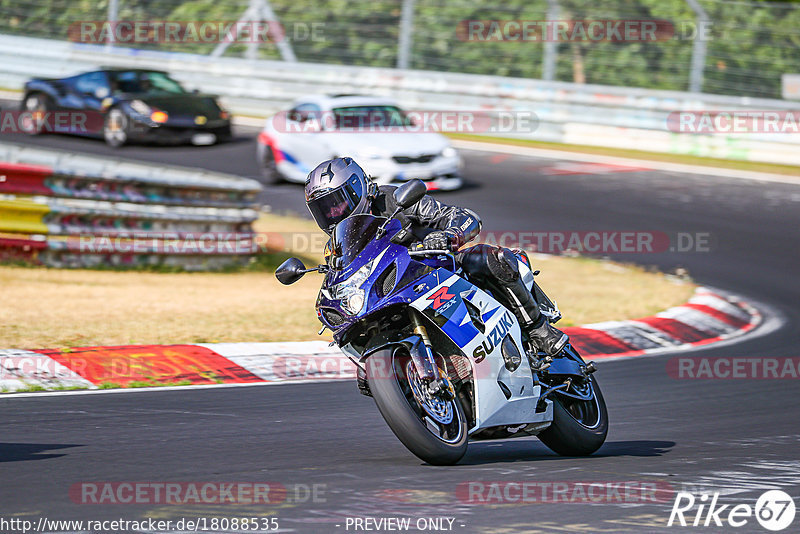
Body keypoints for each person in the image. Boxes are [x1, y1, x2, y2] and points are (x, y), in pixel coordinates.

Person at [304, 157, 568, 356]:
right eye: (324, 210)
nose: (334, 213)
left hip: (439, 269)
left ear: (357, 188)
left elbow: (464, 218)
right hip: (395, 291)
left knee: (488, 258)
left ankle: (538, 329)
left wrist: (449, 235)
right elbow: (342, 273)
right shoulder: (340, 242)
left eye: (337, 202)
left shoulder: (394, 199)